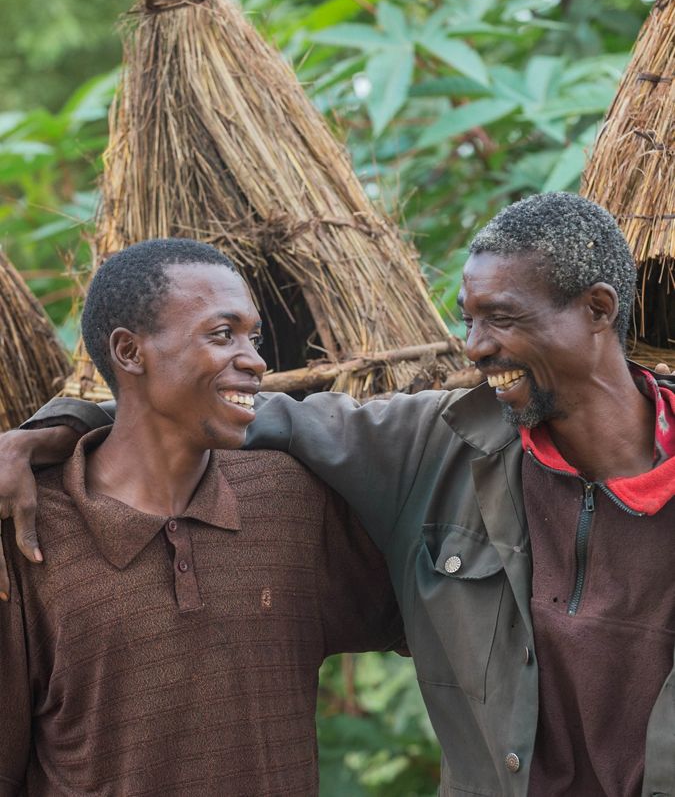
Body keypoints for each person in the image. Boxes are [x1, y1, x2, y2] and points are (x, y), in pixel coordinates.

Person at [2, 192, 674, 796]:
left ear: (596, 310)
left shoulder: (322, 501)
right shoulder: (434, 448)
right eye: (467, 320)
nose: (472, 348)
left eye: (500, 318)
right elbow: (214, 413)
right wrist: (55, 430)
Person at [0, 238, 402, 796]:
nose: (257, 361)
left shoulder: (291, 500)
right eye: (222, 334)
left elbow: (446, 611)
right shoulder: (25, 535)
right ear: (129, 352)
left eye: (253, 337)